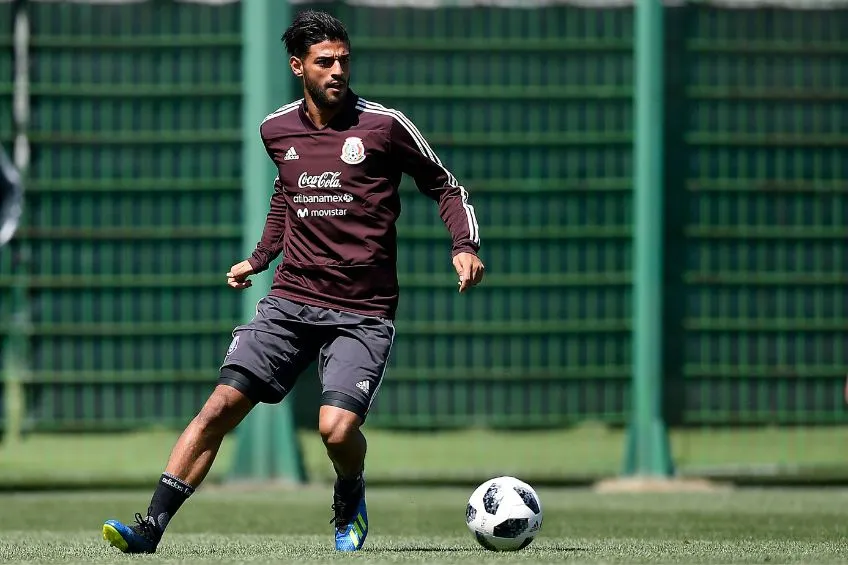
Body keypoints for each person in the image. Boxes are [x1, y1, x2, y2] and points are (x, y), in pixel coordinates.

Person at [101, 9, 483, 554]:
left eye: (344, 61)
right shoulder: (275, 129)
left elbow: (445, 186)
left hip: (363, 310)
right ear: (297, 66)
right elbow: (287, 195)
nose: (337, 71)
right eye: (324, 62)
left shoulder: (384, 126)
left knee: (335, 430)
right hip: (291, 300)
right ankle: (151, 528)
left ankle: (350, 492)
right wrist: (260, 258)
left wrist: (464, 246)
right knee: (218, 408)